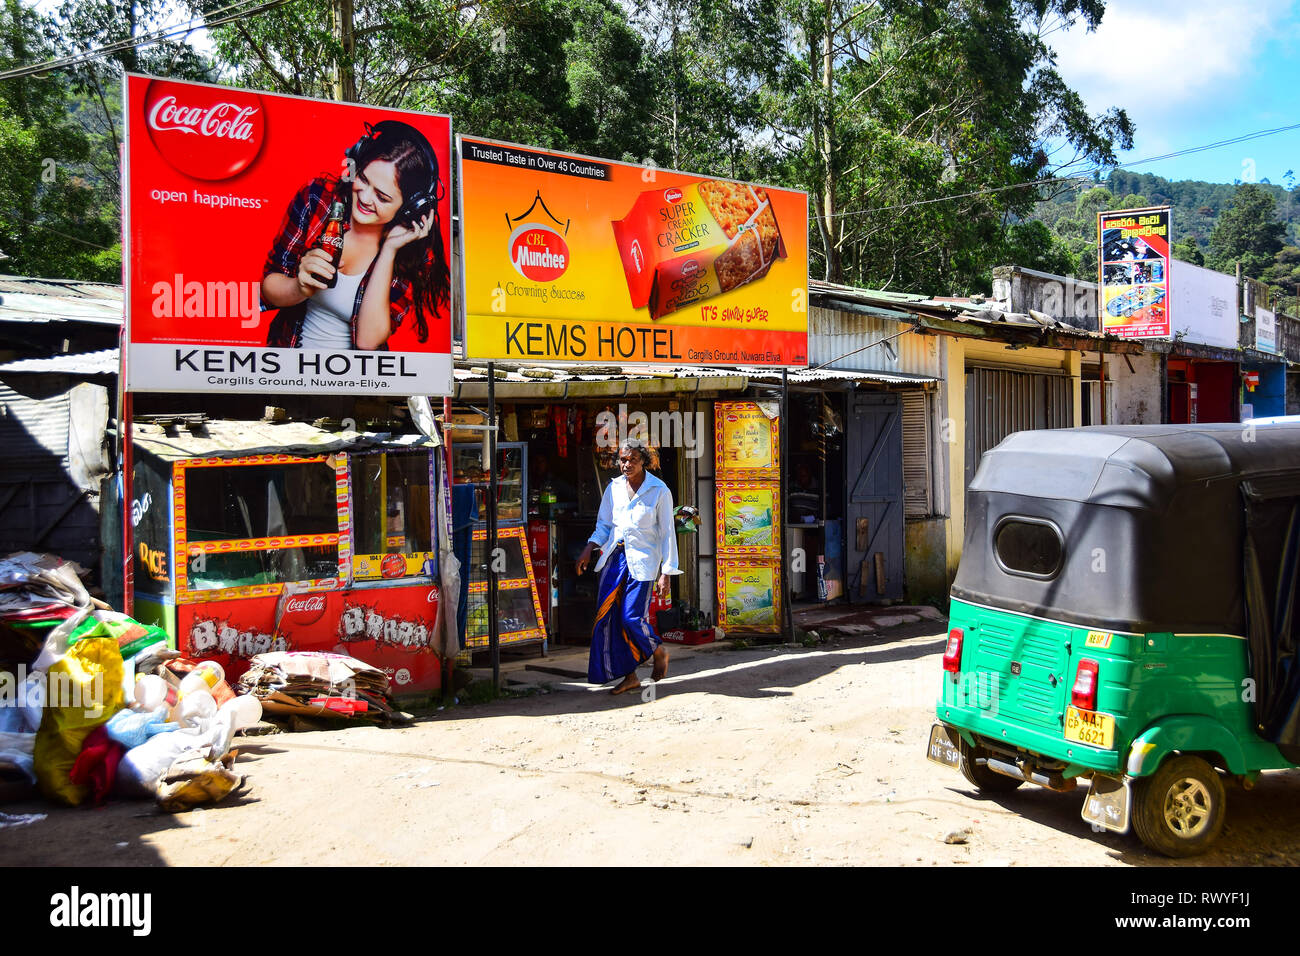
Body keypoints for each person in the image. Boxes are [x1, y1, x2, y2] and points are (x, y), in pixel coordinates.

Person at [261, 120, 451, 351]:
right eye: (363, 179)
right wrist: (299, 288)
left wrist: (389, 252)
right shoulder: (318, 199)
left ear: (407, 207)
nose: (365, 197)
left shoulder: (414, 252)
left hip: (358, 381)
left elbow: (368, 341)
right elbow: (269, 288)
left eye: (382, 197)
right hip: (288, 368)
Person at [575, 439, 680, 695]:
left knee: (631, 617)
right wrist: (589, 548)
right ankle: (630, 676)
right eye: (623, 459)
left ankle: (658, 651)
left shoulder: (659, 490)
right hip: (614, 560)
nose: (627, 464)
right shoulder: (614, 488)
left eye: (632, 459)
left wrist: (666, 572)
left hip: (643, 563)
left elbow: (667, 534)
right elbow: (604, 525)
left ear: (643, 460)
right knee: (609, 620)